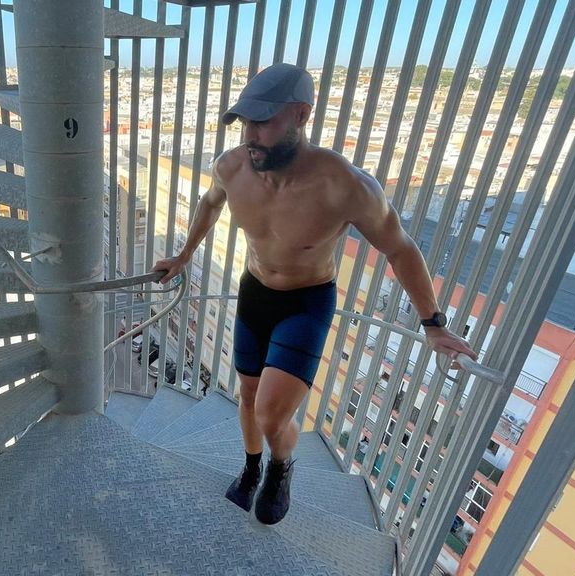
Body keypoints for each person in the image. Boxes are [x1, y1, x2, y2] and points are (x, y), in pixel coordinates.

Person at [151, 63, 478, 526]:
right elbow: (209, 203)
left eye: (263, 122)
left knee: (270, 413)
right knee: (246, 396)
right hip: (255, 292)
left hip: (306, 302)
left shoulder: (343, 186)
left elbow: (400, 248)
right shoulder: (232, 167)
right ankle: (250, 469)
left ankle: (281, 467)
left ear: (301, 115)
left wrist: (433, 325)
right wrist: (183, 256)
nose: (250, 134)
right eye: (246, 122)